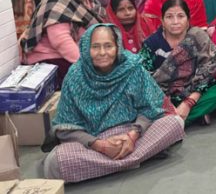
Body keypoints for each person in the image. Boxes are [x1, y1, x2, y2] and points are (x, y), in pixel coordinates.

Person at [42, 24, 185, 183]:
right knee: (53, 164)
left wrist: (132, 136)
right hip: (93, 139)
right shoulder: (75, 76)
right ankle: (137, 159)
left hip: (131, 133)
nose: (102, 53)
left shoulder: (132, 68)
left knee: (175, 123)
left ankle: (113, 163)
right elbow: (65, 127)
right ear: (85, 49)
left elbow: (150, 108)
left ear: (117, 47)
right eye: (95, 47)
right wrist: (100, 145)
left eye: (108, 46)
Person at [140, 0, 216, 126]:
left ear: (188, 20)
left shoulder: (198, 36)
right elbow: (144, 77)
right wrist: (166, 101)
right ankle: (189, 118)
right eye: (169, 17)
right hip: (163, 96)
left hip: (194, 92)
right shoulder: (152, 44)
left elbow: (210, 69)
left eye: (180, 16)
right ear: (162, 21)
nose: (175, 22)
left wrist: (189, 102)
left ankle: (173, 124)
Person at [21, 0, 105, 88]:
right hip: (51, 57)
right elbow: (61, 41)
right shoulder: (58, 1)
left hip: (78, 56)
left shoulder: (93, 2)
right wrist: (87, 66)